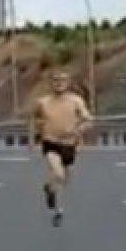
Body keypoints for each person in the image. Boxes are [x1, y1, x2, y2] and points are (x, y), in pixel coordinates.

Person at [30, 71, 92, 226]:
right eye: (55, 81)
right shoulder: (43, 102)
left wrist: (78, 131)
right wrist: (33, 139)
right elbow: (34, 120)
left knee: (63, 180)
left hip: (69, 144)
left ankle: (49, 190)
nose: (59, 83)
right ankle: (58, 211)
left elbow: (88, 120)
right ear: (51, 83)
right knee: (57, 172)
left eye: (62, 80)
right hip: (51, 142)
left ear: (68, 82)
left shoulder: (76, 101)